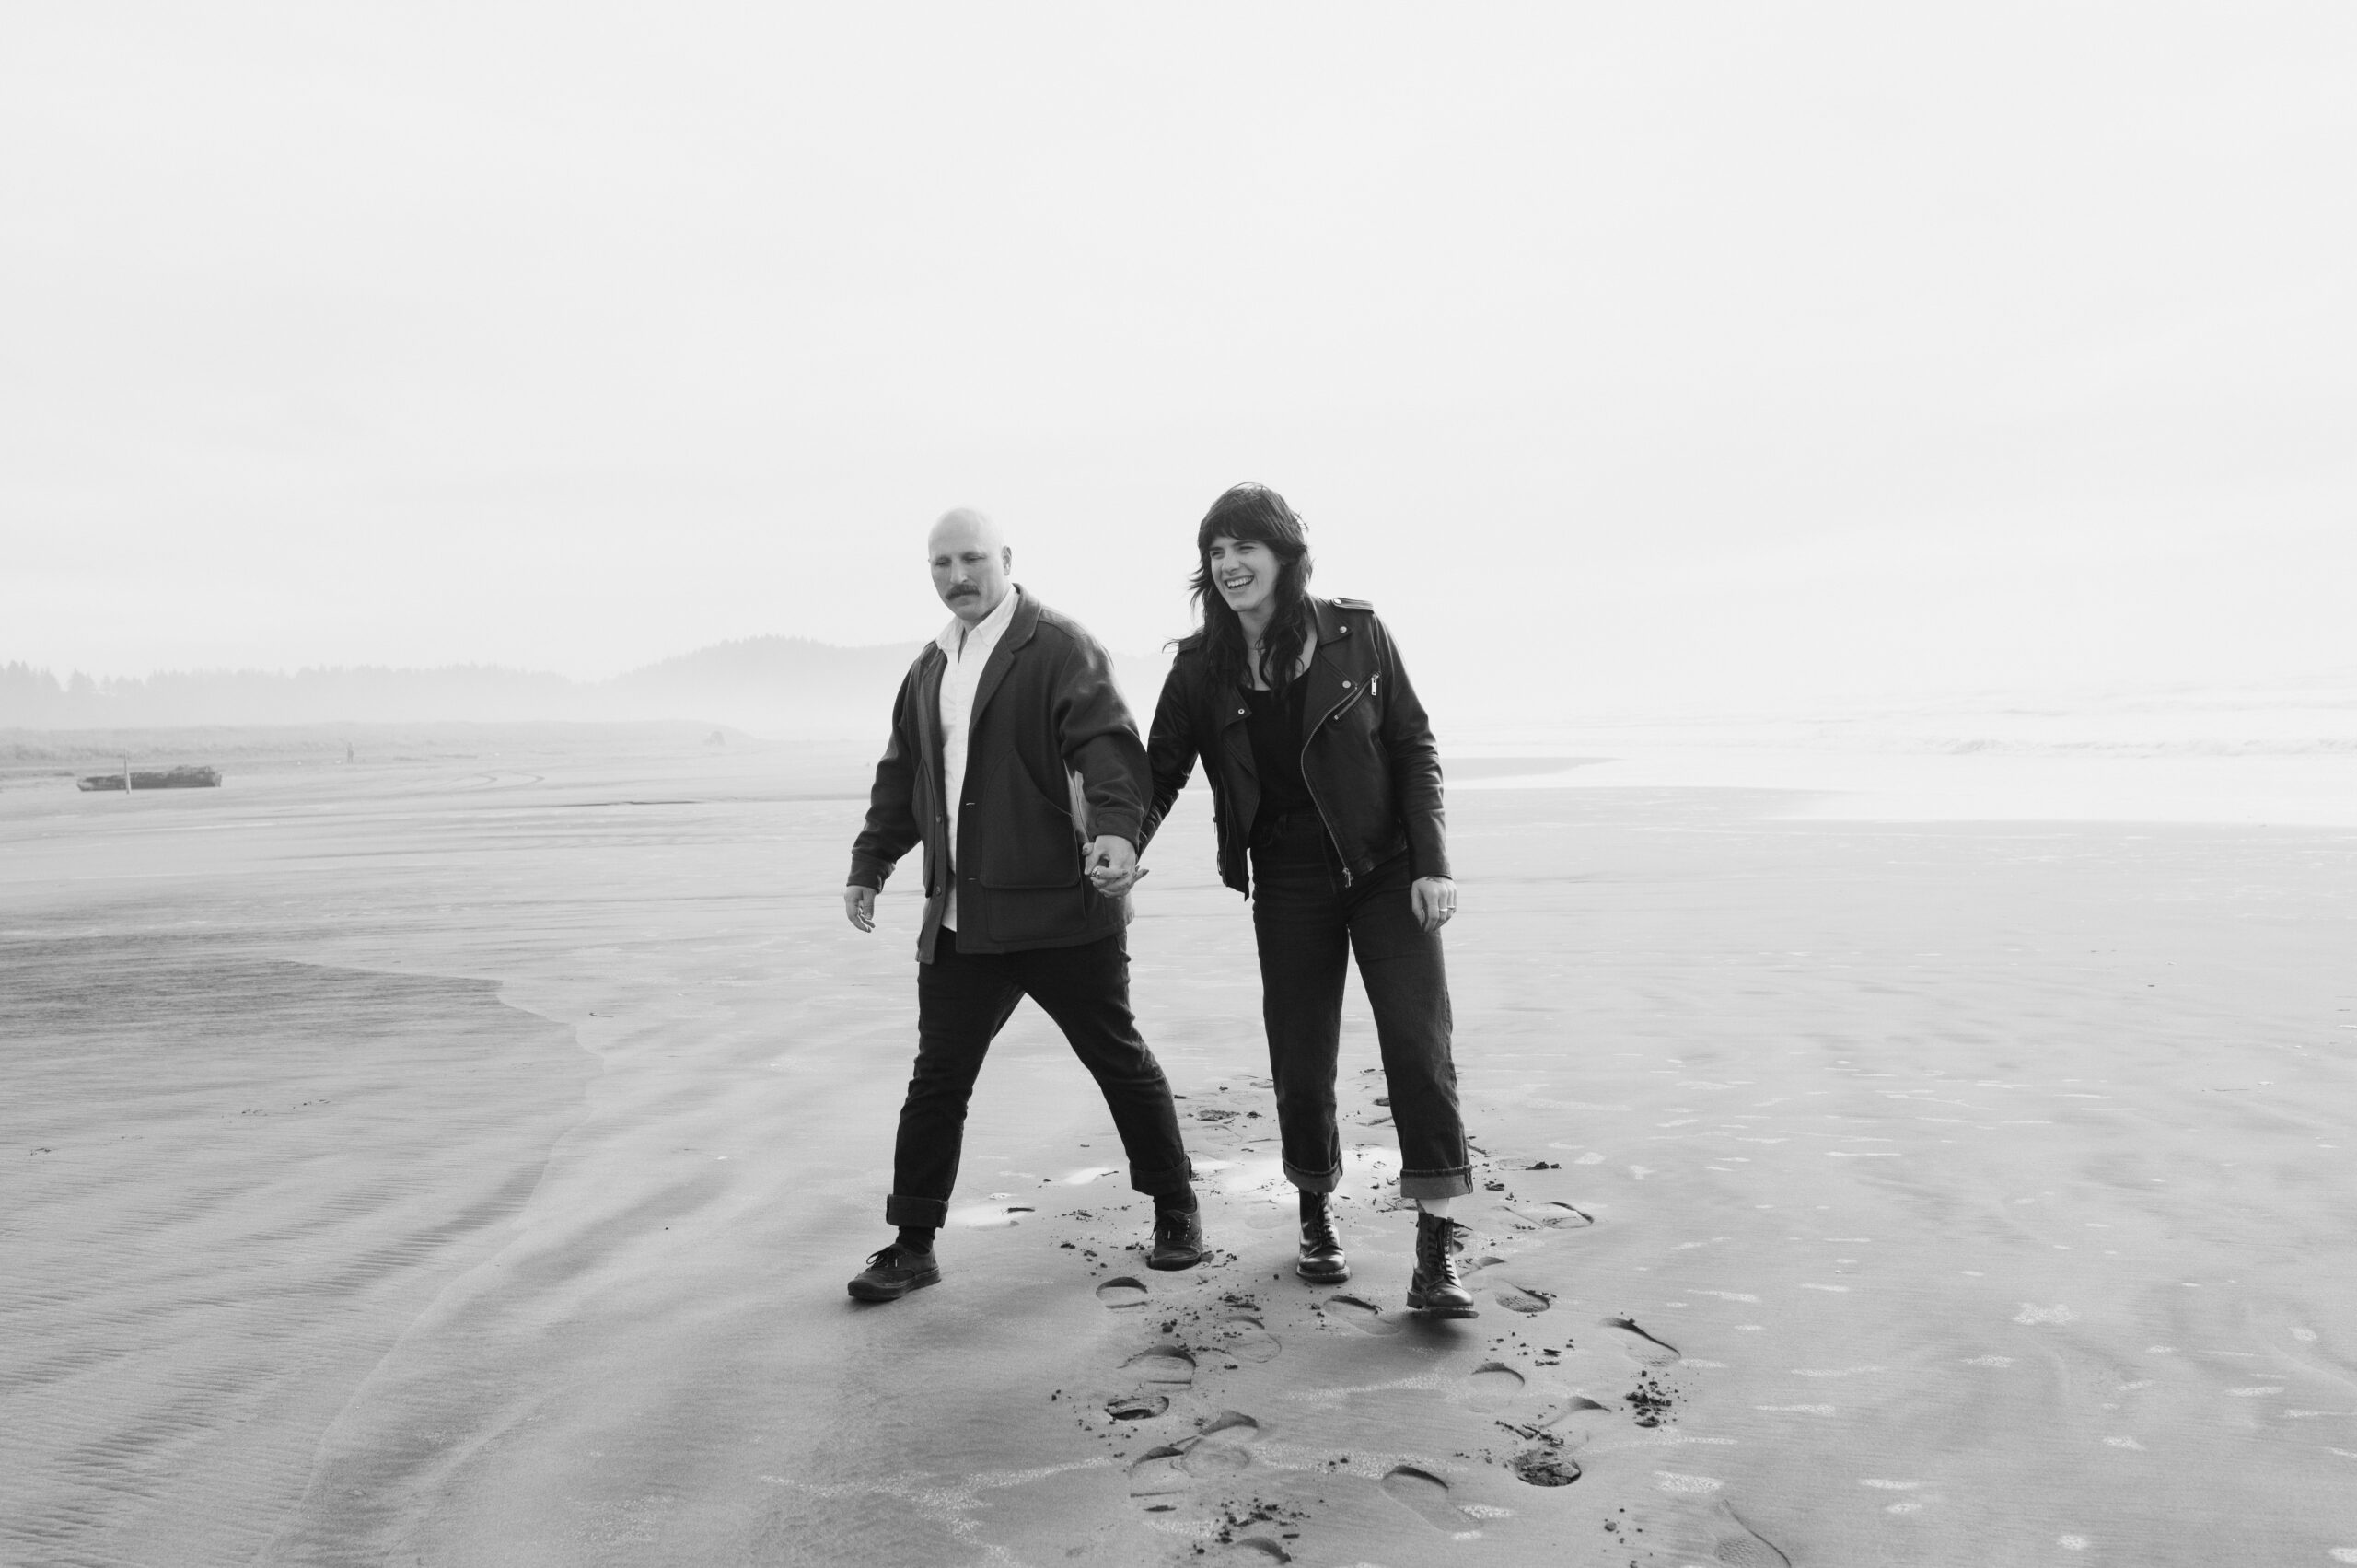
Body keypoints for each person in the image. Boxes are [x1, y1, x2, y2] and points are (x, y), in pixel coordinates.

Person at [842, 507, 1205, 1303]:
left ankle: (1176, 1207)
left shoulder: (1060, 647)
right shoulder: (930, 667)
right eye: (940, 564)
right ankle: (911, 1242)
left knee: (1116, 1057)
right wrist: (872, 861)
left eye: (971, 559)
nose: (956, 576)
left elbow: (1108, 748)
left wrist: (1119, 834)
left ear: (1005, 558)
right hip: (961, 917)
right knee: (937, 1078)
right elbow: (903, 775)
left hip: (1059, 913)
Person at [1132, 482, 1473, 1317]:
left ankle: (1435, 1248)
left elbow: (1412, 745)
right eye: (1215, 552)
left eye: (1244, 547)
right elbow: (1159, 771)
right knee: (1301, 1056)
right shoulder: (1199, 667)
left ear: (1284, 553)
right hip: (1284, 876)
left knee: (1417, 1048)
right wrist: (1121, 843)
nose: (1228, 564)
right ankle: (1317, 1211)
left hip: (1384, 868)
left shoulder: (1356, 635)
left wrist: (1432, 861)